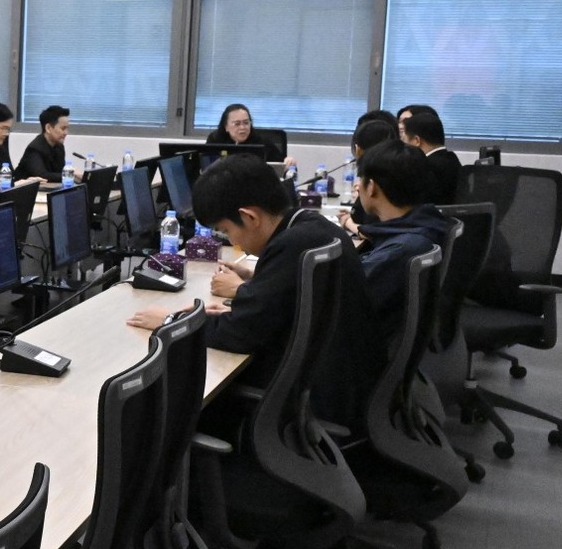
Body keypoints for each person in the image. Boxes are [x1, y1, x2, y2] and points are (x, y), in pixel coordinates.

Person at [131, 155, 378, 433]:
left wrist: (171, 321)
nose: (231, 241)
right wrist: (247, 300)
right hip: (339, 385)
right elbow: (273, 307)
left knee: (174, 393)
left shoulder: (292, 245)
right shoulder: (312, 226)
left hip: (317, 403)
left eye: (226, 230)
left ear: (250, 217)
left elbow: (239, 334)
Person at [342, 142, 455, 345]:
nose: (357, 186)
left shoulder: (400, 250)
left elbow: (340, 301)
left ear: (371, 187)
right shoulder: (428, 224)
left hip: (363, 350)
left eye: (360, 179)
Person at [399, 105, 462, 204]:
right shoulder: (452, 158)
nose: (404, 145)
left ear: (416, 141)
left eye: (404, 140)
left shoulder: (425, 167)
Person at [15, 105, 71, 182]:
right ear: (48, 128)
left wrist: (70, 174)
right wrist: (70, 175)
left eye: (67, 128)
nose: (66, 132)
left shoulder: (59, 147)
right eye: (63, 128)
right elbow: (41, 176)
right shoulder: (34, 149)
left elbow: (60, 172)